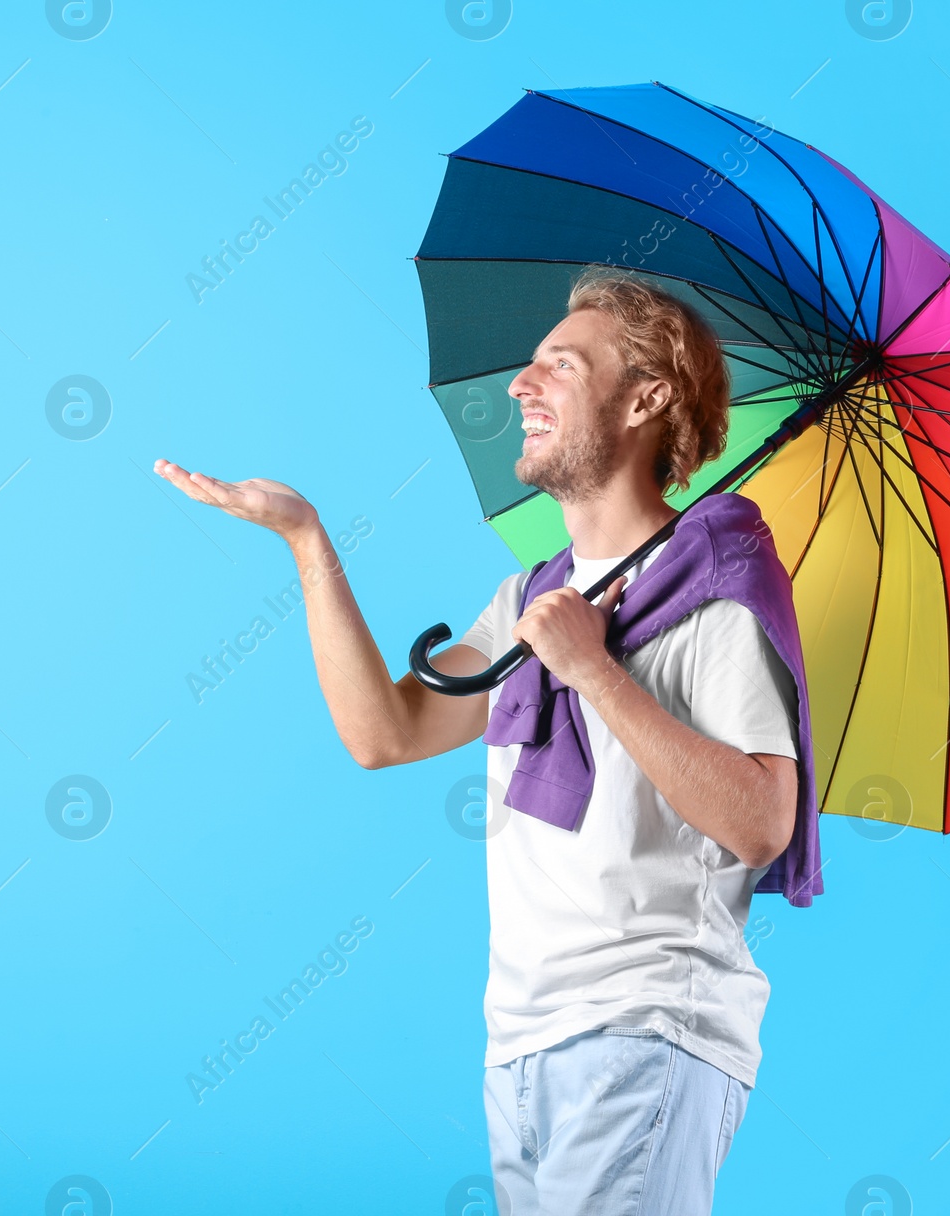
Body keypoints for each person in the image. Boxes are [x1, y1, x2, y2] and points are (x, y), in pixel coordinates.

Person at [154, 266, 812, 1215]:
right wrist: (306, 540)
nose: (520, 383)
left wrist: (593, 671)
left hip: (648, 1019)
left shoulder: (720, 581)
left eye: (561, 363)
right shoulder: (531, 600)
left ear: (647, 398)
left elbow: (761, 823)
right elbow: (387, 732)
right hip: (522, 1038)